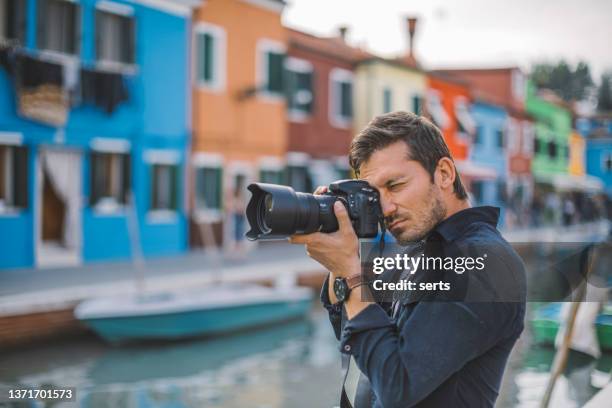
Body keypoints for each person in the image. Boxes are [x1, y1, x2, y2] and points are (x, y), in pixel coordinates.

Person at [290, 111, 526, 407]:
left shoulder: (485, 262)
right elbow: (363, 342)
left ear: (444, 174)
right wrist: (339, 264)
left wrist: (351, 272)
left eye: (395, 185)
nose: (385, 208)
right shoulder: (419, 249)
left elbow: (397, 388)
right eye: (375, 195)